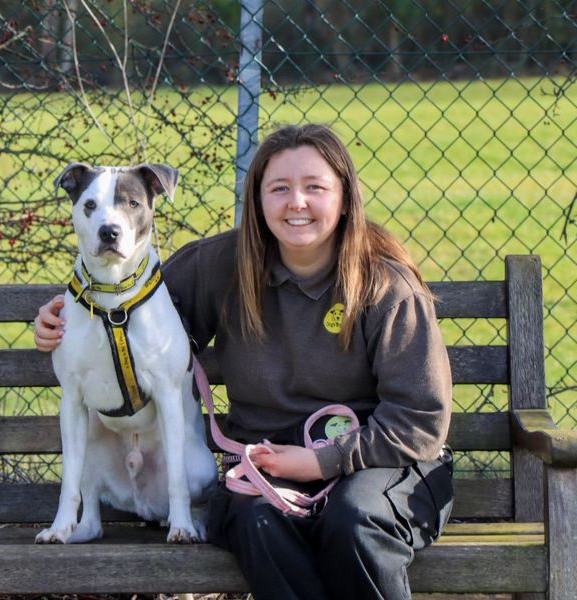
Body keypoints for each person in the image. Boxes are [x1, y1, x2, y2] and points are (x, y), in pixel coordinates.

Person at [34, 123, 454, 600]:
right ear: (257, 199)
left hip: (379, 462)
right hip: (264, 464)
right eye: (279, 188)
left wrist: (322, 461)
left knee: (353, 522)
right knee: (255, 521)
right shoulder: (223, 264)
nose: (297, 202)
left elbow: (420, 420)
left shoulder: (387, 285)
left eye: (314, 187)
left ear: (345, 196)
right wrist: (62, 316)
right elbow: (130, 309)